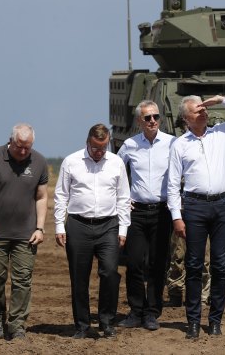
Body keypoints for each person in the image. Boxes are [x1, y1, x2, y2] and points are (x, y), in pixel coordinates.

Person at [168, 94, 225, 339]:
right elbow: (173, 185)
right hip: (194, 206)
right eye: (198, 110)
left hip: (222, 204)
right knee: (193, 265)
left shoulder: (224, 132)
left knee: (220, 265)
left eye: (204, 108)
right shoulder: (179, 144)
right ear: (186, 118)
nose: (203, 112)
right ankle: (193, 321)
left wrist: (220, 100)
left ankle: (215, 320)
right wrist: (176, 216)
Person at [54, 123, 131, 339]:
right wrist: (60, 225)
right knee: (79, 277)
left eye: (103, 147)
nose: (99, 152)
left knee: (109, 272)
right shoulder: (71, 161)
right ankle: (82, 325)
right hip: (78, 225)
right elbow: (61, 195)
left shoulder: (116, 162)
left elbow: (124, 198)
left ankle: (107, 321)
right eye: (96, 148)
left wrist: (123, 228)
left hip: (109, 225)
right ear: (88, 141)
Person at [0, 123, 48, 340]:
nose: (23, 152)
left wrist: (40, 228)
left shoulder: (39, 161)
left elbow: (42, 197)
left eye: (28, 147)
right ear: (11, 140)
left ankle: (17, 325)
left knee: (22, 280)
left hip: (26, 235)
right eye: (19, 146)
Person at [116, 101, 175, 331]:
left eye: (155, 117)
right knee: (134, 263)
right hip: (136, 213)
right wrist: (122, 199)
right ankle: (135, 311)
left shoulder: (172, 143)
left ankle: (152, 312)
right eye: (147, 118)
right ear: (139, 121)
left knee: (157, 264)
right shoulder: (129, 145)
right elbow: (116, 170)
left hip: (162, 211)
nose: (152, 121)